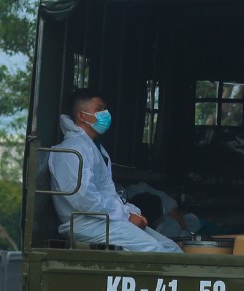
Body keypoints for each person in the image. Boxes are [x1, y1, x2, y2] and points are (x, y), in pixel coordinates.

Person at [48, 90, 182, 252]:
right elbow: (84, 200)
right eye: (99, 109)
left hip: (104, 220)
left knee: (171, 248)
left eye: (105, 109)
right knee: (154, 250)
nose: (105, 114)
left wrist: (131, 211)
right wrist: (126, 216)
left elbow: (107, 194)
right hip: (86, 224)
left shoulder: (94, 148)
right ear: (82, 115)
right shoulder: (71, 150)